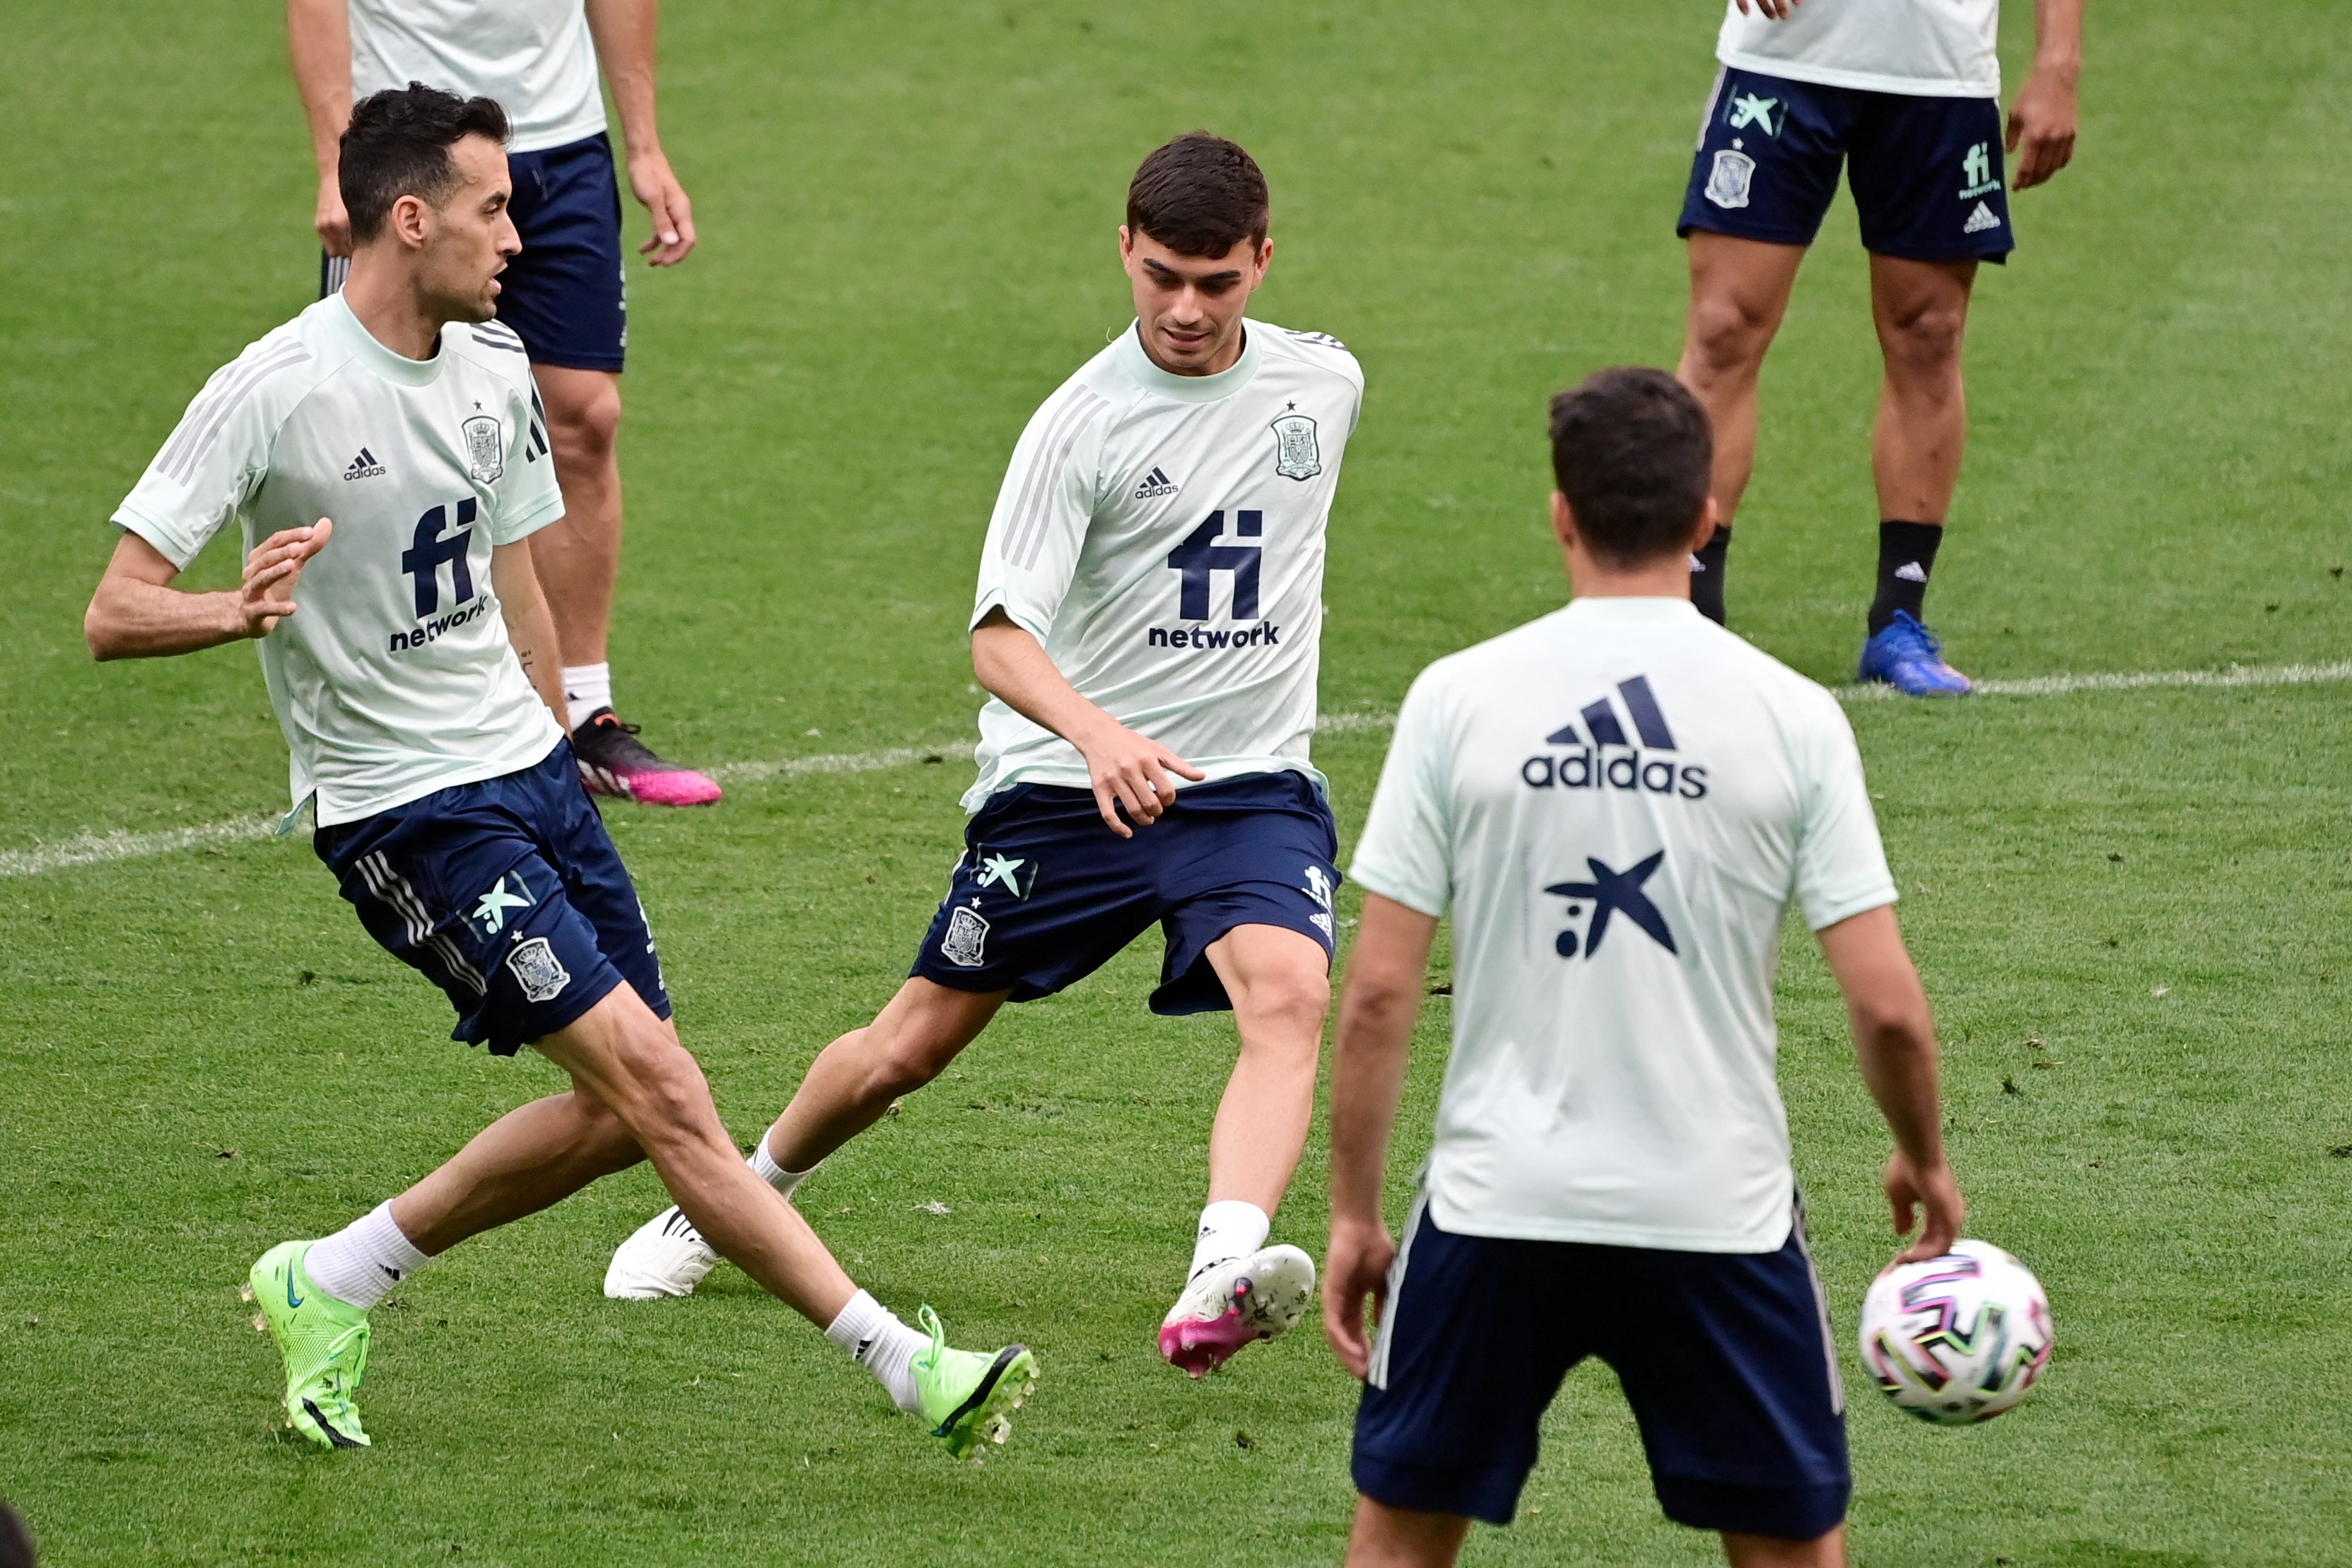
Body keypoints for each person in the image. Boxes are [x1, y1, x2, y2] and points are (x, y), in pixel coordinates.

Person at [84, 85, 1033, 1458]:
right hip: (406, 813)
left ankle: (330, 1276)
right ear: (408, 220)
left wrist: (553, 742)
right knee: (662, 1090)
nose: (516, 237)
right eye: (491, 208)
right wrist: (230, 612)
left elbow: (522, 572)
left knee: (615, 1116)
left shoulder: (489, 368)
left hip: (526, 778)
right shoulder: (275, 391)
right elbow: (116, 607)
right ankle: (903, 1362)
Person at [605, 133, 1364, 1379]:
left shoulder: (1323, 385)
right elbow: (999, 641)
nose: (1183, 307)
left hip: (1245, 785)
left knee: (1288, 995)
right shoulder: (1078, 427)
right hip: (1075, 792)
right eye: (1161, 273)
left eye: (1215, 282)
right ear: (1123, 249)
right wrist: (1100, 733)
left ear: (1263, 263)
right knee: (907, 1046)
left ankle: (1219, 1274)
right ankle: (727, 1200)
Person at [1321, 368, 1965, 1565]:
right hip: (1714, 1211)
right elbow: (1885, 1007)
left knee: (1399, 1548)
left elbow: (1373, 992)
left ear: (1560, 513)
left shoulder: (1457, 698)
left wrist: (1355, 1211)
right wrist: (1922, 1157)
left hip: (1495, 1203)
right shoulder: (1791, 716)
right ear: (1709, 514)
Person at [289, 0, 722, 802]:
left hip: (561, 142)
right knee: (369, 427)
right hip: (407, 158)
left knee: (586, 420)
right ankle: (380, 712)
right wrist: (333, 165)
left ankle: (583, 716)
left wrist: (645, 144)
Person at [1673, 0, 2083, 694]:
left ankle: (1900, 615)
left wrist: (2058, 63)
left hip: (1940, 73)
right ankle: (1690, 609)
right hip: (1780, 63)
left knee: (1929, 337)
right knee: (1723, 329)